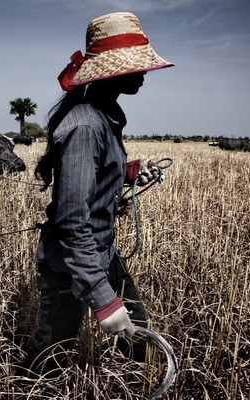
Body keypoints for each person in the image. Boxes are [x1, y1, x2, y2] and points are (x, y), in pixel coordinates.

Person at [22, 11, 173, 377]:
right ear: (111, 72)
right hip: (68, 264)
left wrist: (127, 172)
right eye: (136, 65)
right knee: (50, 358)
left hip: (102, 251)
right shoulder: (87, 126)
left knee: (139, 336)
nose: (144, 72)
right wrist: (103, 300)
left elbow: (92, 178)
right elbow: (73, 222)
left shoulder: (102, 115)